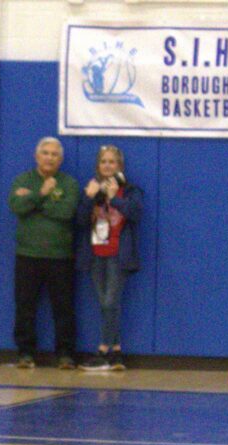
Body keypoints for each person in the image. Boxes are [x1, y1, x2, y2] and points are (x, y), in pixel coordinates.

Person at [8, 137, 79, 369]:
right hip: (28, 254)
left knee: (63, 307)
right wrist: (41, 193)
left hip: (60, 256)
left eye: (54, 154)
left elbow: (67, 212)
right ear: (37, 156)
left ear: (61, 159)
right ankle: (25, 353)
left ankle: (65, 354)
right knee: (25, 306)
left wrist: (34, 201)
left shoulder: (68, 183)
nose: (49, 157)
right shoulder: (23, 179)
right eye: (45, 153)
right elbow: (17, 208)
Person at [76, 145, 143, 372]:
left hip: (118, 254)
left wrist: (114, 198)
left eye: (111, 162)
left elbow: (135, 214)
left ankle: (102, 350)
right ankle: (117, 351)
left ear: (120, 166)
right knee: (105, 303)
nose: (107, 165)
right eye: (103, 161)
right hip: (96, 254)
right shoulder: (93, 190)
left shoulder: (131, 191)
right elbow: (80, 221)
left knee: (109, 302)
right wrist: (88, 198)